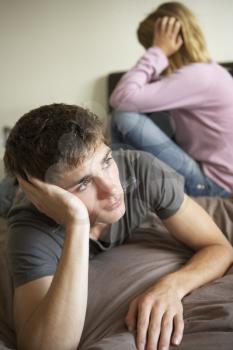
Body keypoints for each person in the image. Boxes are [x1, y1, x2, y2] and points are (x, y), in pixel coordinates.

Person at [4, 103, 233, 350]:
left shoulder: (140, 169)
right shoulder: (29, 227)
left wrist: (172, 286)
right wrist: (78, 225)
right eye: (83, 184)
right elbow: (44, 347)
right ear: (44, 197)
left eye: (106, 161)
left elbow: (219, 246)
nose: (113, 189)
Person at [110, 1, 233, 197]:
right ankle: (125, 184)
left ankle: (117, 188)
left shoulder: (196, 77)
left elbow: (122, 98)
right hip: (215, 178)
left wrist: (158, 51)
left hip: (213, 186)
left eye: (149, 46)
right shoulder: (209, 72)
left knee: (124, 117)